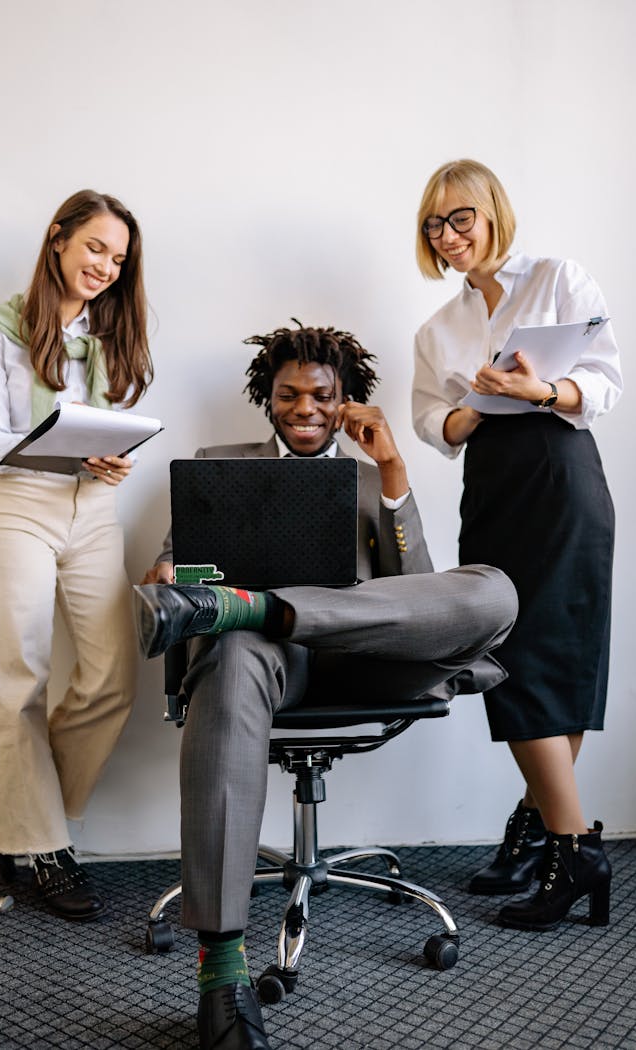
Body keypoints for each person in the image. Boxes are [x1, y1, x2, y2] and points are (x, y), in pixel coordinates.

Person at [136, 321, 518, 1050]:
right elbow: (171, 570)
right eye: (287, 394)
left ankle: (262, 605)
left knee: (493, 591)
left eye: (320, 394)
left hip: (367, 656)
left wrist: (396, 473)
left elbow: (420, 596)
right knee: (235, 646)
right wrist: (169, 574)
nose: (304, 407)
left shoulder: (375, 478)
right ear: (267, 398)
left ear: (345, 399)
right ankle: (221, 971)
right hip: (265, 667)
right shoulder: (221, 466)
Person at [412, 159, 622, 932]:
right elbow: (432, 422)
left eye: (460, 217)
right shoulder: (436, 330)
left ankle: (561, 842)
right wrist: (468, 409)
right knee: (506, 657)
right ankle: (548, 833)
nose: (448, 235)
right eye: (434, 224)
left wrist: (539, 391)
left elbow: (603, 382)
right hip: (495, 485)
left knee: (556, 656)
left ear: (493, 211)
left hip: (562, 474)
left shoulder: (559, 278)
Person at [0, 189, 153, 920]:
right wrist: (65, 448)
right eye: (95, 248)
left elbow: (113, 426)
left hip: (94, 512)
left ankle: (12, 808)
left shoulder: (111, 338)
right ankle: (43, 845)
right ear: (58, 240)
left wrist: (111, 457)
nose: (105, 265)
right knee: (22, 678)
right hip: (20, 508)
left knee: (112, 677)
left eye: (118, 257)